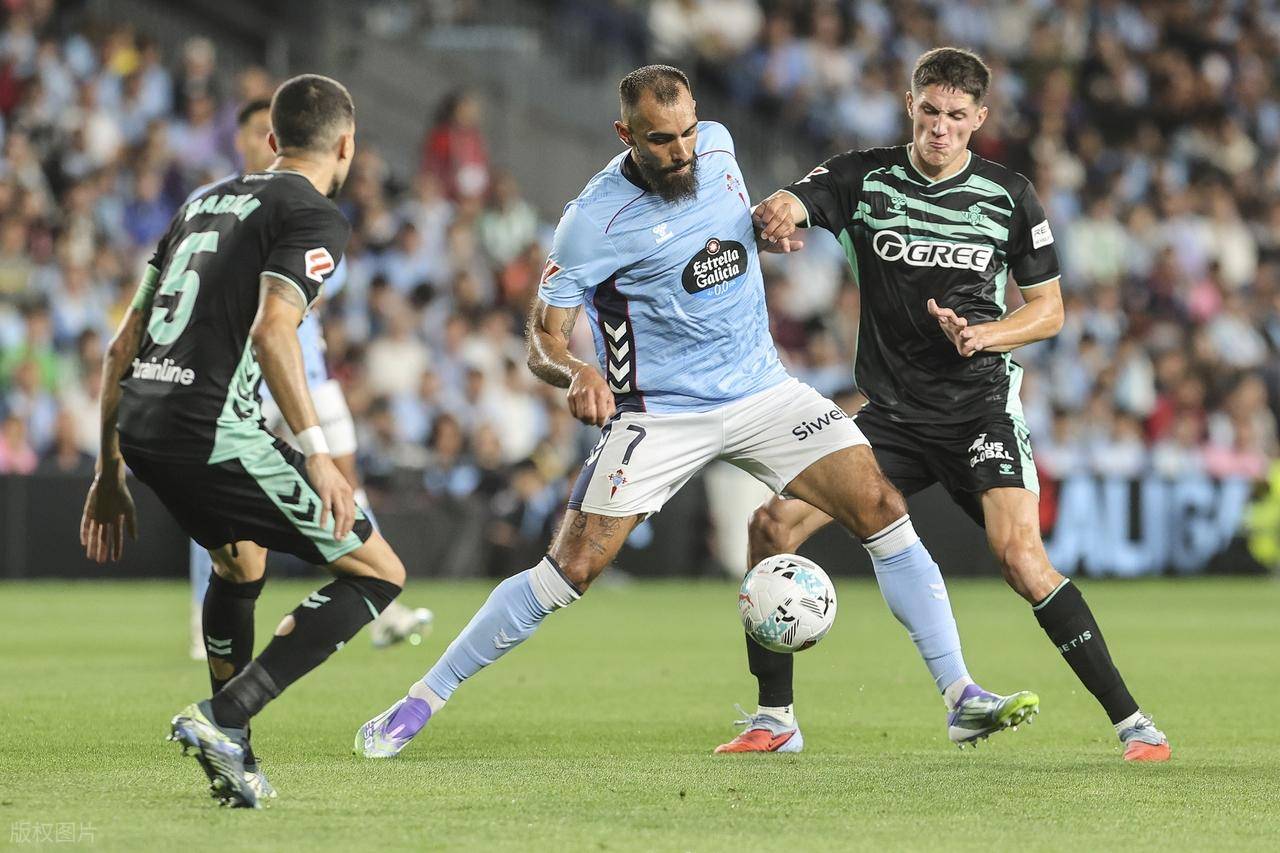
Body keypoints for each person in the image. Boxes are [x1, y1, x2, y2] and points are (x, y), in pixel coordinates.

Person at [354, 65, 1036, 759]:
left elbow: (720, 239)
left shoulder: (718, 146)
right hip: (662, 413)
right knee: (570, 569)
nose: (681, 151)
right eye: (660, 140)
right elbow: (543, 338)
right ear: (625, 135)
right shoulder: (592, 221)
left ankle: (959, 695)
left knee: (881, 505)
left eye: (685, 132)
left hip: (762, 390)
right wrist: (578, 371)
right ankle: (421, 699)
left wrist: (766, 229)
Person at [731, 47, 1171, 762]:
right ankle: (775, 717)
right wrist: (777, 212)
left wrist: (987, 334)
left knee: (1021, 559)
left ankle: (1134, 723)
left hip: (979, 410)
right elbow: (796, 202)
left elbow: (1050, 310)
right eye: (930, 112)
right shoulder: (864, 178)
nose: (941, 128)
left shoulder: (1008, 195)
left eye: (957, 117)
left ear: (980, 118)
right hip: (892, 417)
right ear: (911, 105)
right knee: (770, 524)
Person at [80, 74, 408, 808]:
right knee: (379, 571)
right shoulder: (313, 213)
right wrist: (318, 450)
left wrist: (108, 470)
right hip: (212, 429)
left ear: (271, 139)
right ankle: (226, 716)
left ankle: (235, 753)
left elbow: (120, 345)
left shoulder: (200, 202)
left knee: (239, 562)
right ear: (346, 146)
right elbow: (272, 329)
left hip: (143, 424)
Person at [182, 98, 432, 660]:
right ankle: (205, 614)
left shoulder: (308, 204)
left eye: (265, 130)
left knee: (344, 481)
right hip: (248, 372)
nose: (260, 140)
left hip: (307, 372)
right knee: (218, 498)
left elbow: (318, 289)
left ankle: (381, 602)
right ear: (248, 140)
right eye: (252, 131)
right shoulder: (223, 199)